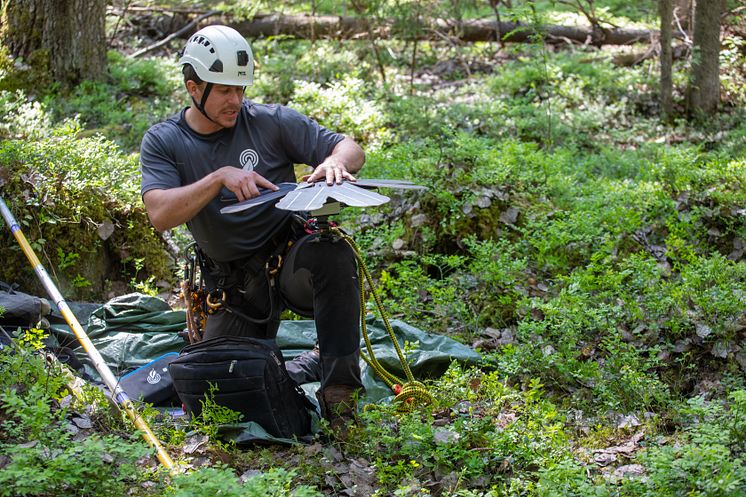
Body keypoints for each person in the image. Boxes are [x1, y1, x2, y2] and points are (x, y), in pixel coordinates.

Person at [139, 25, 365, 433]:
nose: (236, 100)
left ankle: (340, 394)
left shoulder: (270, 122)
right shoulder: (165, 141)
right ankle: (305, 364)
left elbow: (350, 146)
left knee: (334, 254)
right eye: (224, 90)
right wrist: (217, 178)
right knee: (222, 386)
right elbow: (160, 213)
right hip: (233, 284)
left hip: (291, 259)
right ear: (194, 87)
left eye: (241, 89)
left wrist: (337, 162)